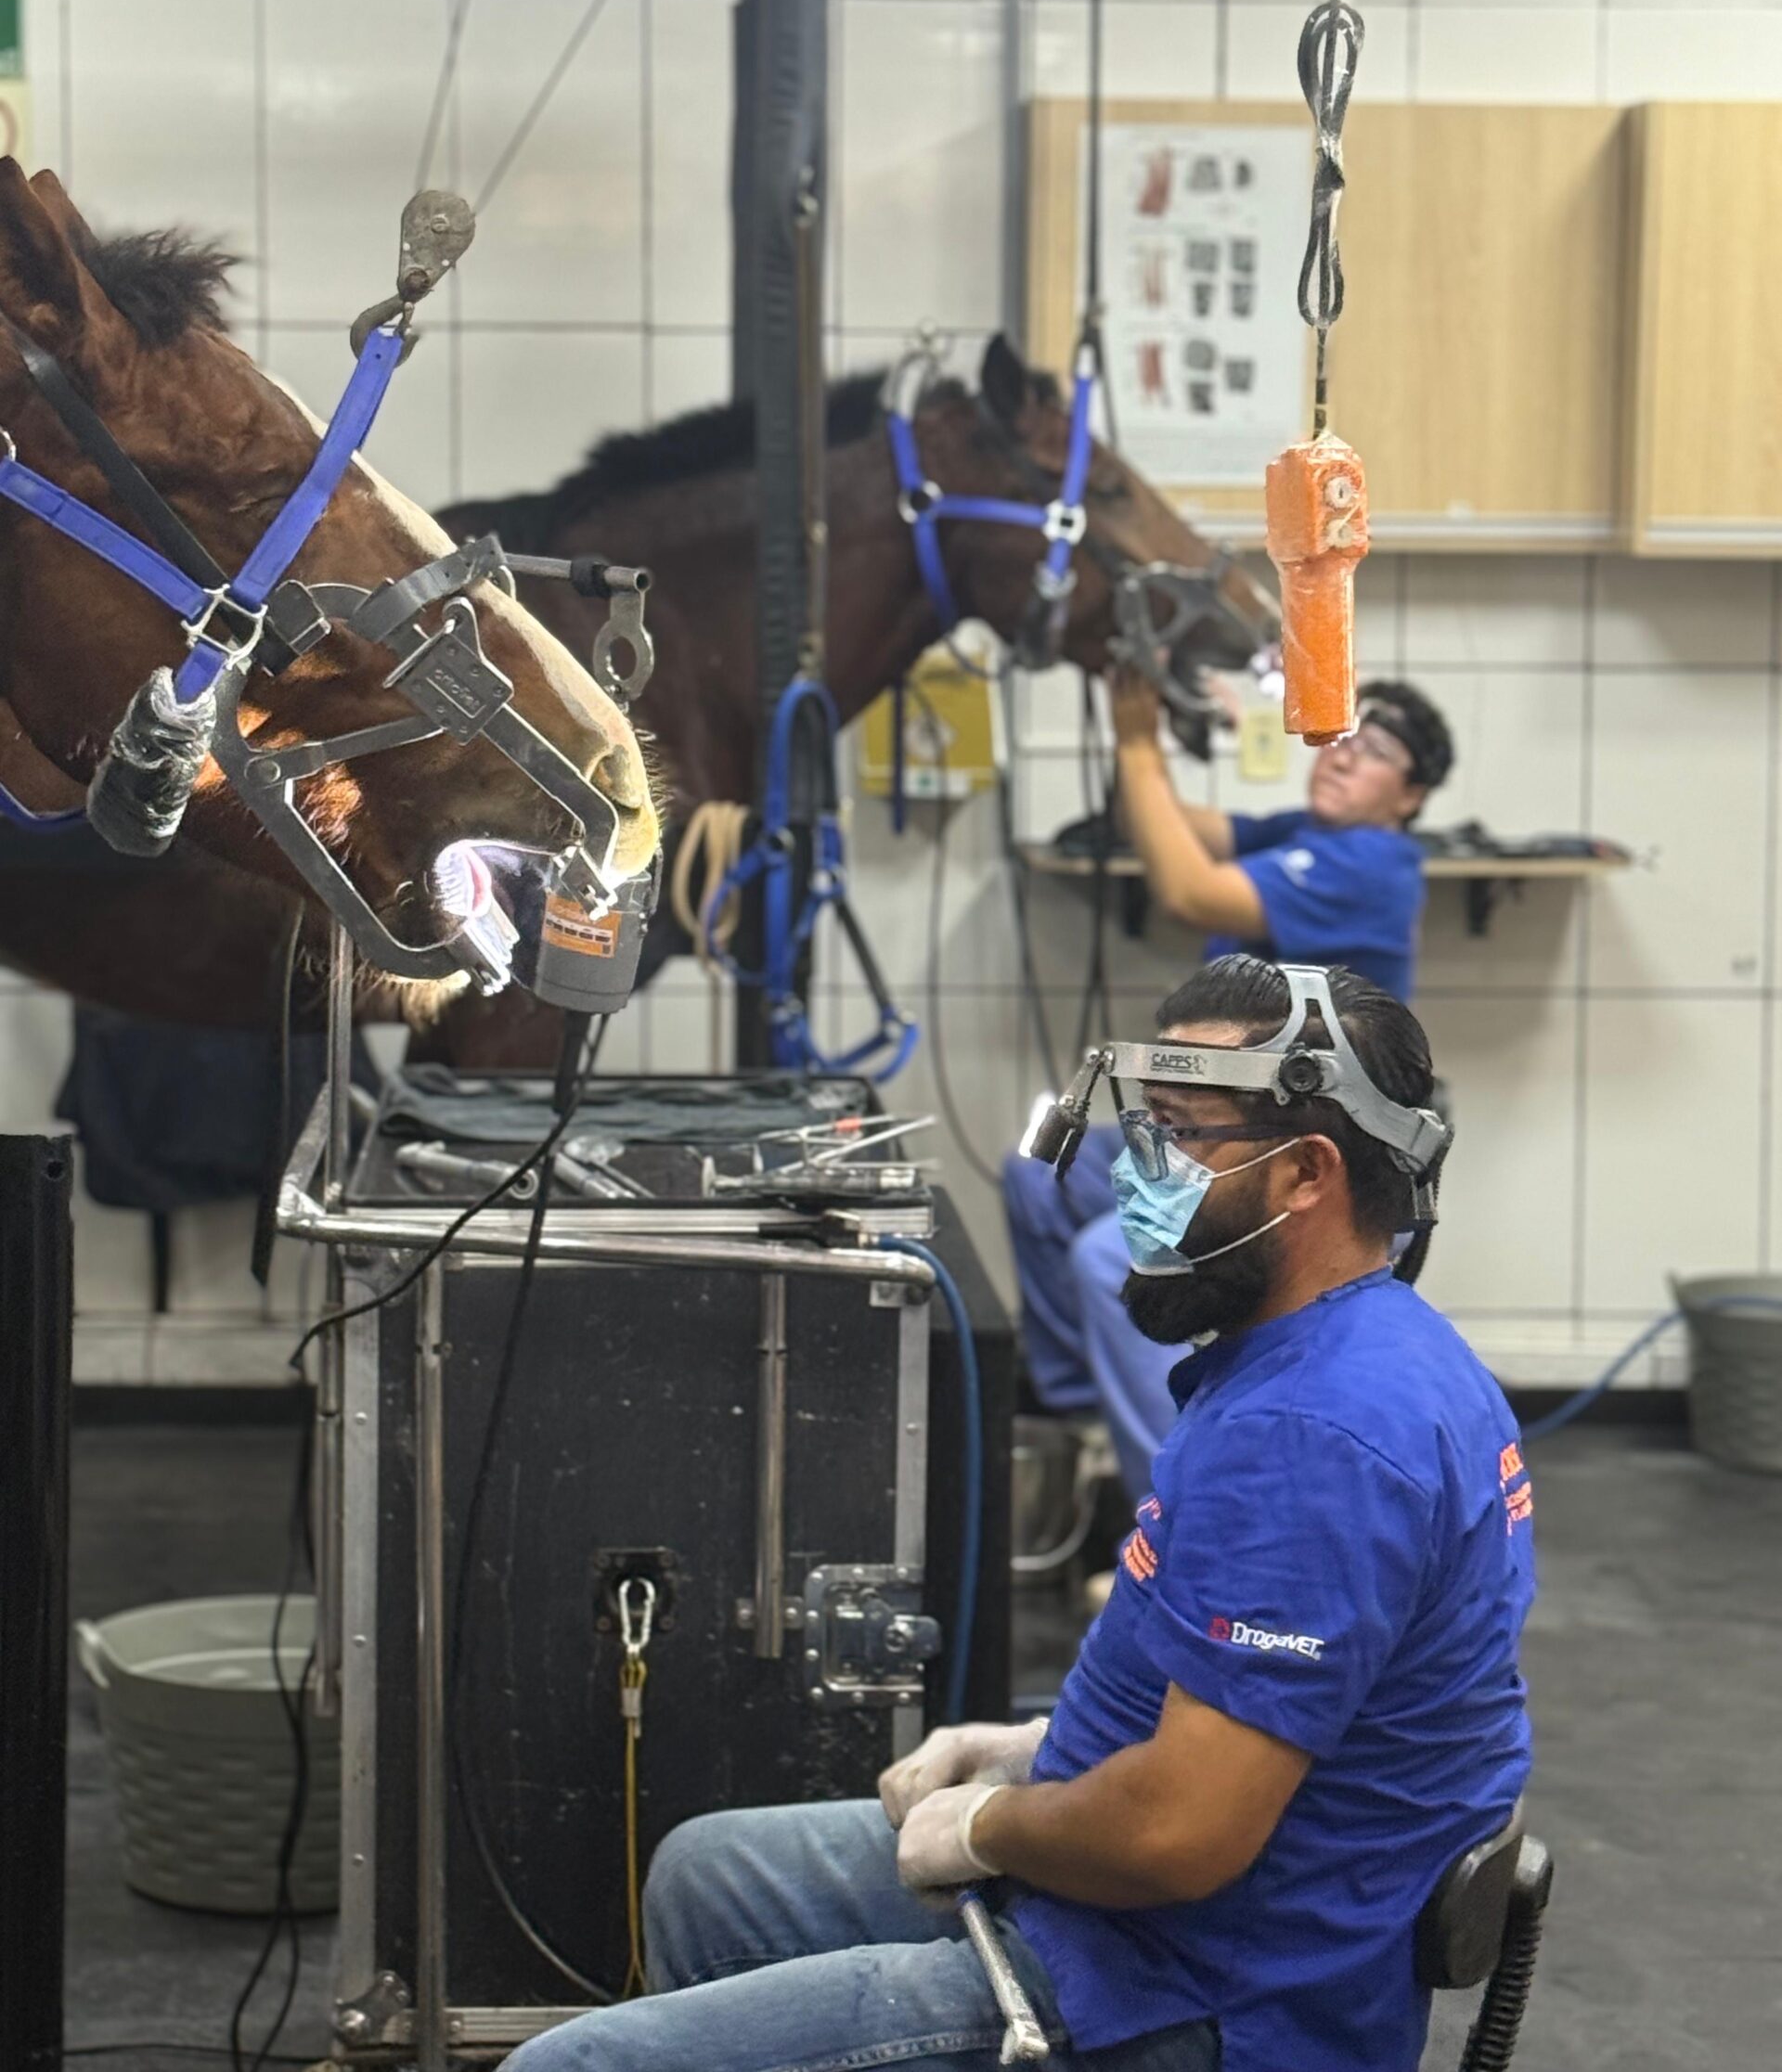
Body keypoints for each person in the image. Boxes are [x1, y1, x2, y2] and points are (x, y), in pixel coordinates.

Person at [504, 958, 1533, 2072]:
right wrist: (1044, 1748)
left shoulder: (1314, 1436)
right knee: (709, 1878)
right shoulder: (1369, 1353)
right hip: (1193, 1911)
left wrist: (991, 1823)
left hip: (1199, 1994)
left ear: (1305, 1174)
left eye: (1182, 1134)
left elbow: (1175, 1834)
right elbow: (1302, 1709)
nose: (1136, 1171)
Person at [1005, 676, 1455, 1497]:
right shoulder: (1296, 831)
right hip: (1229, 1128)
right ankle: (1089, 1423)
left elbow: (1185, 889)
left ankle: (1170, 1497)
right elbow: (1166, 827)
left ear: (1413, 796)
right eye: (1342, 739)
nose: (1345, 757)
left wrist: (1139, 738)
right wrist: (1156, 707)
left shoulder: (1372, 862)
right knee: (1041, 1177)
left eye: (1377, 753)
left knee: (1110, 1249)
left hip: (1314, 1156)